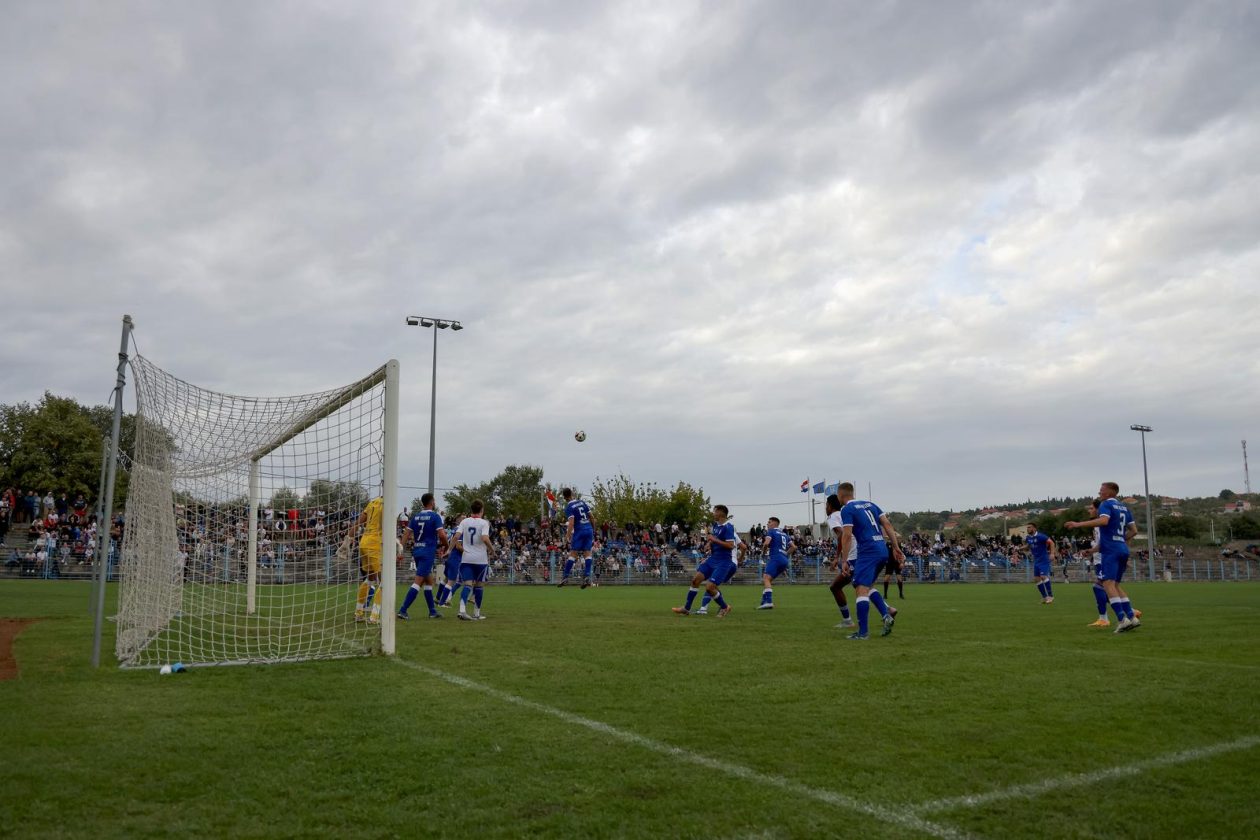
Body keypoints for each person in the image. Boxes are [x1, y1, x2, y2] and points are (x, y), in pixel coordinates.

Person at [1066, 482, 1142, 633]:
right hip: (1122, 548)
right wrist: (1119, 540)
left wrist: (1078, 524)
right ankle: (1133, 618)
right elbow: (1134, 531)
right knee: (1115, 585)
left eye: (1101, 490)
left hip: (1111, 551)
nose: (1099, 493)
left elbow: (1104, 521)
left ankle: (1122, 619)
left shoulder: (1105, 504)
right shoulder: (1124, 508)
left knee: (1107, 585)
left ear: (1109, 493)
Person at [834, 484, 902, 640]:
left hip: (868, 551)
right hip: (882, 549)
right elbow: (888, 525)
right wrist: (895, 547)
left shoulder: (847, 509)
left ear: (841, 495)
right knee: (865, 585)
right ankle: (886, 615)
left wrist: (844, 560)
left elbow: (846, 535)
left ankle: (863, 633)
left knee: (861, 589)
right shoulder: (871, 504)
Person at [672, 505, 735, 617]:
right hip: (713, 559)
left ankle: (725, 607)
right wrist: (709, 544)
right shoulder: (716, 526)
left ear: (721, 513)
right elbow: (715, 539)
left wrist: (714, 539)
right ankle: (686, 608)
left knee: (710, 587)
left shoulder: (728, 527)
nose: (713, 513)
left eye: (715, 511)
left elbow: (731, 545)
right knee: (695, 580)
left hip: (723, 561)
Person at [398, 493, 448, 620]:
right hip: (427, 552)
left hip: (417, 551)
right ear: (432, 502)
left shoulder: (416, 517)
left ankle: (432, 611)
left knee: (429, 580)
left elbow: (406, 534)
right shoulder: (435, 516)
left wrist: (401, 549)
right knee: (418, 581)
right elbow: (442, 535)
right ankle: (403, 610)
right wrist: (446, 546)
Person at [346, 494, 385, 623]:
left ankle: (358, 613)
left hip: (364, 541)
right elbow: (386, 527)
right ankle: (374, 616)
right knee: (384, 581)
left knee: (370, 578)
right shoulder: (387, 504)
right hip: (375, 543)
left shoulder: (372, 502)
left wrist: (348, 539)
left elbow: (358, 522)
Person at [455, 500, 494, 620]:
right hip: (480, 560)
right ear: (482, 510)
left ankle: (462, 610)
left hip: (466, 558)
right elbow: (485, 538)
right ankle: (476, 613)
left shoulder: (464, 521)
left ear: (471, 510)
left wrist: (449, 549)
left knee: (467, 585)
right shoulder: (484, 523)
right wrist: (492, 549)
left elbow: (456, 537)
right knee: (479, 586)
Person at [825, 495, 856, 629]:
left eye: (826, 505)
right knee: (861, 585)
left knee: (835, 587)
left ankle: (848, 620)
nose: (825, 508)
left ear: (830, 506)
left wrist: (837, 557)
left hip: (853, 554)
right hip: (861, 550)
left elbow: (842, 534)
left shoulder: (833, 517)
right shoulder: (845, 513)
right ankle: (887, 611)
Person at [557, 488, 596, 588]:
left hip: (579, 531)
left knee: (573, 554)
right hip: (588, 529)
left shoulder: (569, 507)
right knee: (587, 553)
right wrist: (593, 530)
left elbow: (571, 522)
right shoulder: (582, 502)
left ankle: (565, 577)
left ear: (565, 498)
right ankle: (587, 576)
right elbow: (592, 517)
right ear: (572, 494)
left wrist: (567, 535)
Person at [757, 516, 794, 609]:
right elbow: (794, 547)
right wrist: (785, 554)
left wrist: (763, 553)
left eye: (769, 522)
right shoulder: (785, 534)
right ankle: (763, 602)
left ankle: (768, 602)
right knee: (768, 579)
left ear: (774, 523)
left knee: (765, 578)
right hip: (784, 560)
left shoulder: (771, 531)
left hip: (776, 558)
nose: (767, 524)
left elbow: (766, 543)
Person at [435, 514, 465, 607]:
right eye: (463, 518)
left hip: (450, 557)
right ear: (458, 520)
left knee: (446, 579)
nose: (465, 520)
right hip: (455, 558)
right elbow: (458, 546)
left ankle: (437, 598)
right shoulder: (460, 531)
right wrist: (467, 552)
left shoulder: (454, 530)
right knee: (451, 581)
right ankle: (442, 602)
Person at [1025, 524, 1058, 604]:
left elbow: (1051, 543)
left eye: (1029, 527)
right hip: (1036, 560)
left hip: (1044, 559)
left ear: (1034, 528)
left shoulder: (1041, 536)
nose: (1028, 529)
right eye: (1027, 528)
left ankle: (1050, 596)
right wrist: (1021, 548)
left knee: (1043, 576)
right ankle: (1045, 597)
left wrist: (1052, 553)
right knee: (1037, 579)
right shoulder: (1028, 538)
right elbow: (1029, 546)